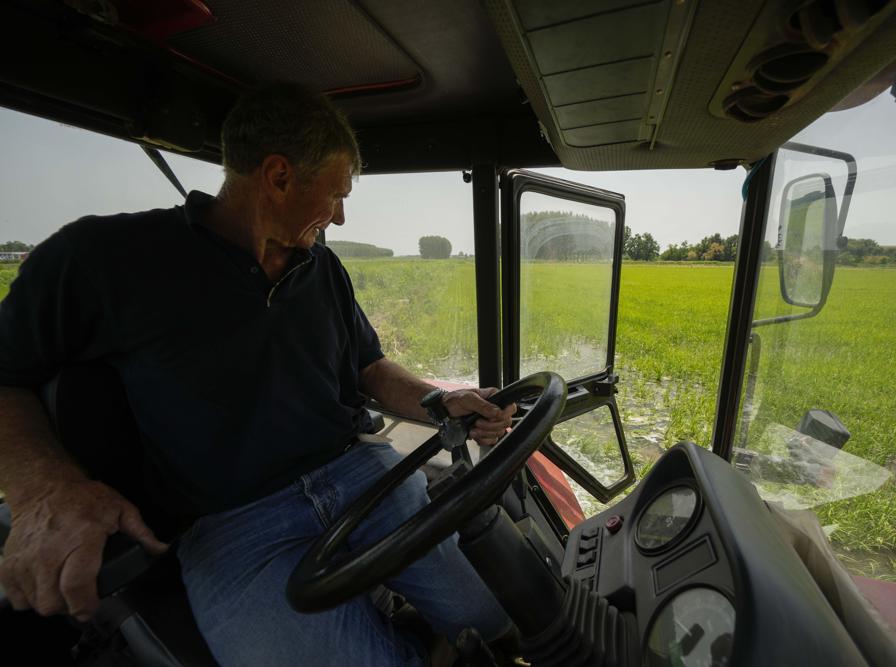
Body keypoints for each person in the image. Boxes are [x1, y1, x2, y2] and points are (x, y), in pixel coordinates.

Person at [0, 82, 516, 666]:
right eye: (337, 194)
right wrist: (45, 489)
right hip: (231, 530)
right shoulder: (101, 258)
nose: (341, 216)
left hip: (363, 477)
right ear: (278, 176)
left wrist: (438, 401)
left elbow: (367, 365)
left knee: (500, 621)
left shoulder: (322, 267)